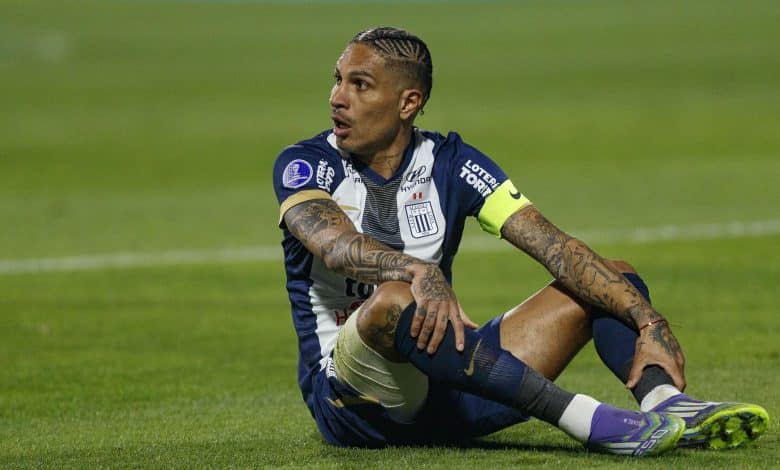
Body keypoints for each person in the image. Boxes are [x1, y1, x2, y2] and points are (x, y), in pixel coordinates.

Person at [272, 27, 768, 455]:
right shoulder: (306, 164)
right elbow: (334, 246)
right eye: (338, 80)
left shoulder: (450, 162)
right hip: (352, 400)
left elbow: (555, 247)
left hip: (449, 386)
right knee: (395, 301)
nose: (339, 97)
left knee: (609, 278)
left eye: (360, 85)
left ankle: (668, 406)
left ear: (408, 103)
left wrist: (649, 320)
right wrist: (418, 270)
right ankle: (590, 422)